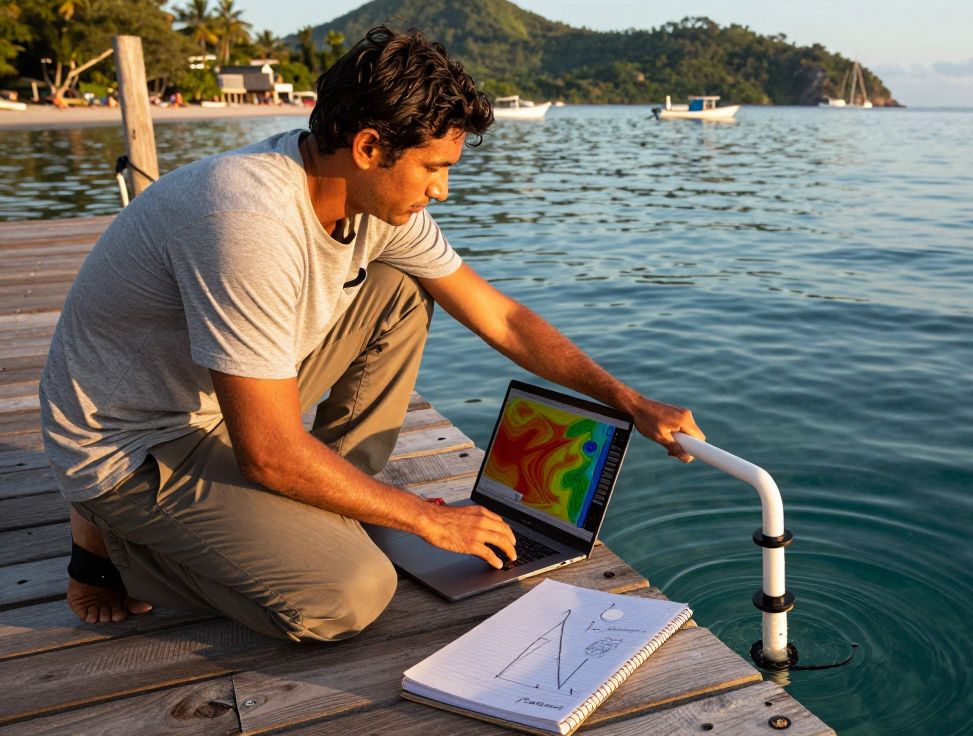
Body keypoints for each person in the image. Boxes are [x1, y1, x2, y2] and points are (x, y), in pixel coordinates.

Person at [39, 26, 703, 642]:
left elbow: (499, 316)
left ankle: (325, 500)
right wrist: (423, 517)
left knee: (405, 286)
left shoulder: (375, 204)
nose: (441, 191)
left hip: (217, 399)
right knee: (345, 598)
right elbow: (266, 453)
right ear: (367, 148)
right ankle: (111, 546)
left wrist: (629, 401)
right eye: (433, 169)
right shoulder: (248, 220)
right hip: (133, 441)